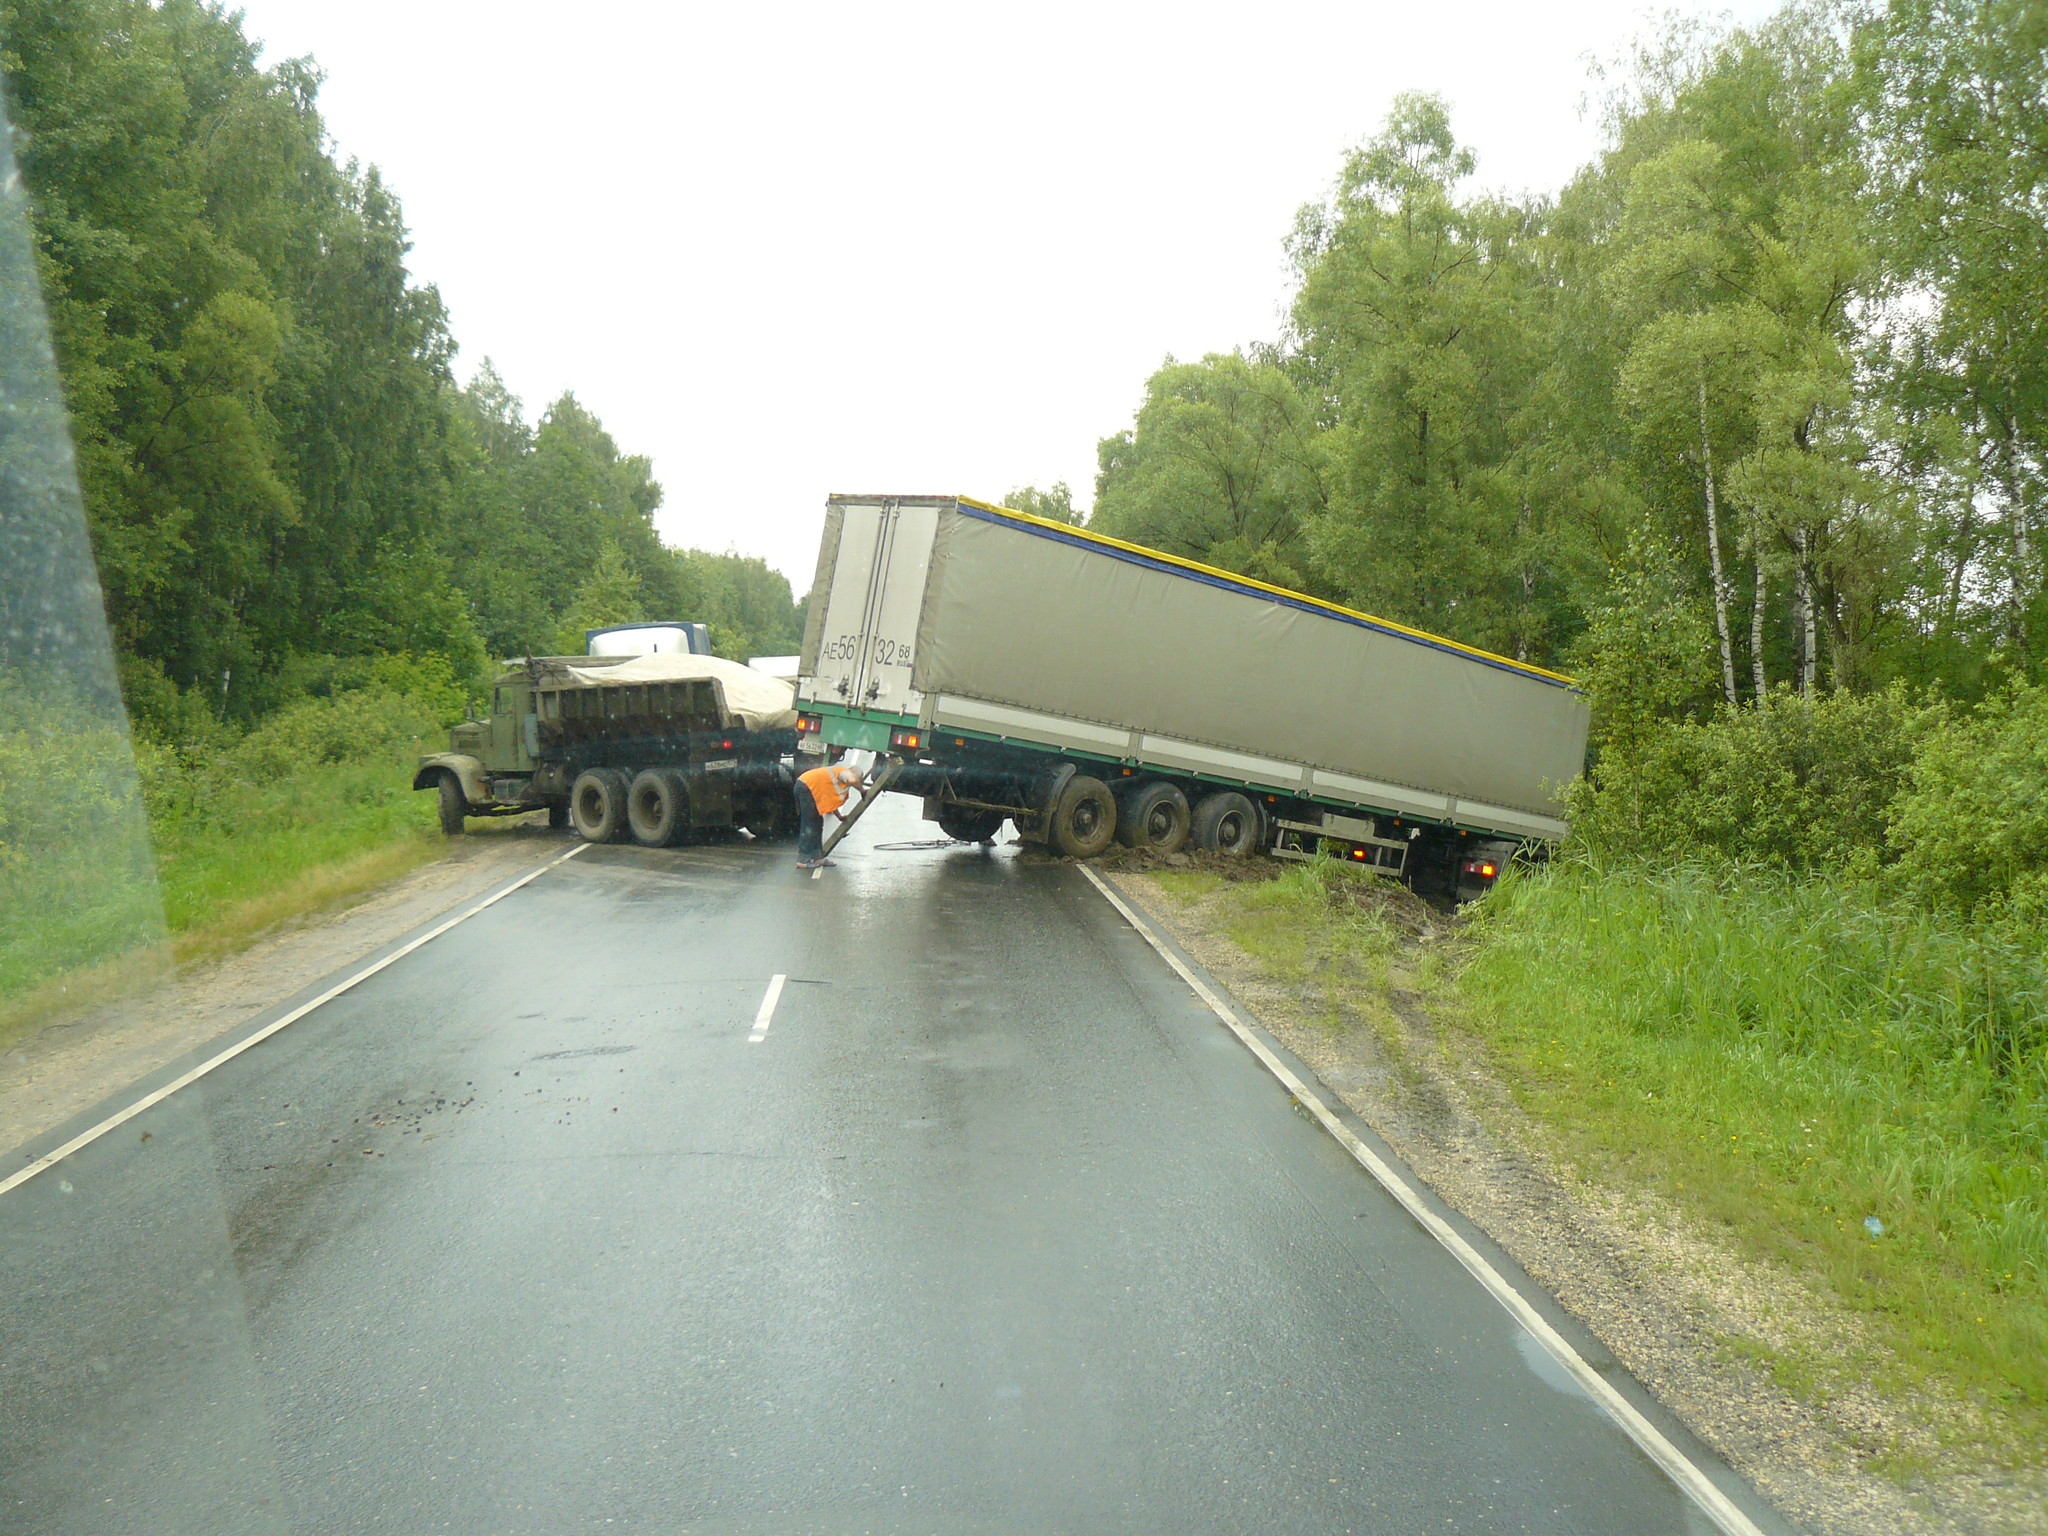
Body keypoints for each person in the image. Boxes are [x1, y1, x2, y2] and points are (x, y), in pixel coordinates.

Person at [795, 759, 866, 868]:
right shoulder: (845, 772)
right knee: (809, 824)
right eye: (859, 779)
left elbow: (829, 801)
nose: (858, 782)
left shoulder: (837, 778)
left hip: (807, 786)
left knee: (817, 823)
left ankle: (817, 857)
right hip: (806, 787)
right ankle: (802, 860)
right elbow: (852, 780)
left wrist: (839, 817)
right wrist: (862, 790)